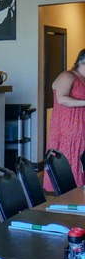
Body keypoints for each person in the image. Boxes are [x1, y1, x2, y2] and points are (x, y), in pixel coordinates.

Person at [44, 49, 85, 191]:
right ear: (81, 63)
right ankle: (71, 194)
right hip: (68, 128)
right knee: (70, 161)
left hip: (81, 129)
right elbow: (62, 99)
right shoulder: (67, 76)